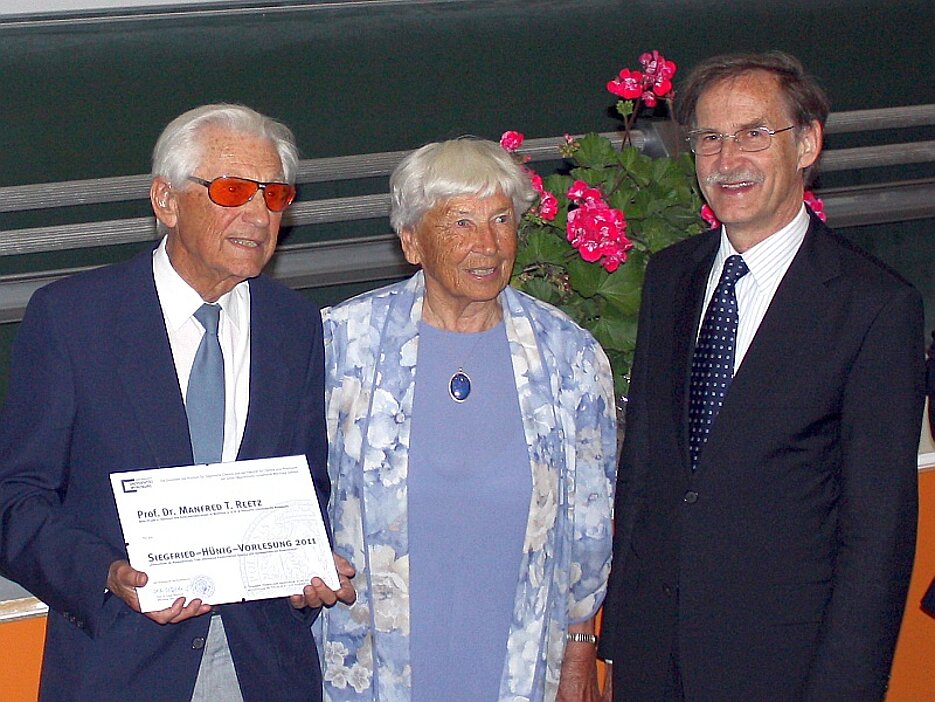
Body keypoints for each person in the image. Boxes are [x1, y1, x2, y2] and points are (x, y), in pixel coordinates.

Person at [0, 104, 355, 702]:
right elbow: (14, 502)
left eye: (274, 195)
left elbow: (304, 485)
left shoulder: (293, 325)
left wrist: (306, 567)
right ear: (165, 201)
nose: (257, 214)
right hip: (118, 665)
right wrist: (108, 576)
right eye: (234, 189)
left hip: (264, 667)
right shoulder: (72, 319)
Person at [599, 52, 925, 701]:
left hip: (784, 668)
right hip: (652, 661)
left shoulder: (872, 307)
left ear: (805, 144)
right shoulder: (670, 278)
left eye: (753, 133)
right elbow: (645, 477)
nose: (727, 159)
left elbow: (877, 534)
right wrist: (620, 645)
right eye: (709, 139)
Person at [317, 137, 617, 701]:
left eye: (501, 219)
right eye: (460, 222)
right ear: (411, 241)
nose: (487, 244)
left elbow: (592, 528)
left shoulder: (567, 356)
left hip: (519, 660)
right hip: (375, 663)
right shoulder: (343, 345)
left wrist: (580, 645)